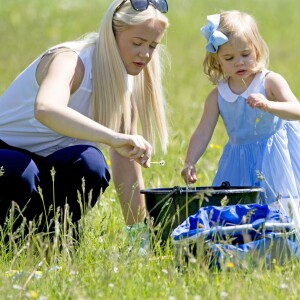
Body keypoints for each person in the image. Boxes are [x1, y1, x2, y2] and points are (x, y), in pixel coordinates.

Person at [0, 0, 169, 237]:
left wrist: (139, 236)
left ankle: (55, 241)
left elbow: (125, 164)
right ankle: (13, 243)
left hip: (45, 165)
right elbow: (46, 108)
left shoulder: (124, 84)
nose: (146, 54)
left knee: (91, 164)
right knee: (20, 171)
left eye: (153, 45)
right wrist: (112, 137)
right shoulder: (71, 59)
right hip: (6, 156)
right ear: (112, 34)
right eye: (137, 43)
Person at [181, 11, 300, 208]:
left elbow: (296, 109)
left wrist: (269, 105)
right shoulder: (217, 96)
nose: (239, 62)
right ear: (217, 59)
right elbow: (202, 133)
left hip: (274, 156)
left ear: (257, 50)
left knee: (279, 206)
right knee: (238, 209)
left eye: (245, 54)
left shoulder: (269, 82)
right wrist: (190, 161)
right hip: (239, 160)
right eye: (229, 57)